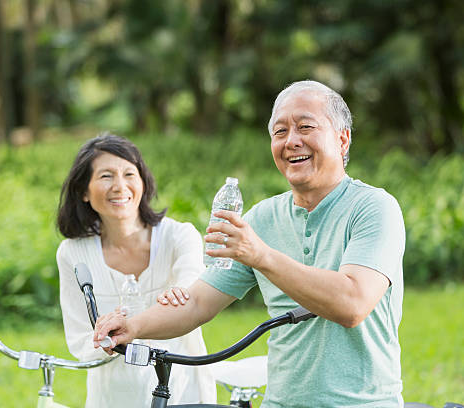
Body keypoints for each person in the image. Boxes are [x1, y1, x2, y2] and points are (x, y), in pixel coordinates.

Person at [94, 80, 406, 407]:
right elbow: (199, 302)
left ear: (342, 140)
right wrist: (133, 325)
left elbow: (352, 303)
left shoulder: (374, 208)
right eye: (280, 132)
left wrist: (261, 256)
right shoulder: (262, 219)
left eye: (305, 127)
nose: (291, 141)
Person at [56, 132, 216, 408]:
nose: (120, 186)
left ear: (143, 182)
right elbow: (79, 337)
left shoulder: (180, 237)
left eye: (129, 174)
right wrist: (104, 339)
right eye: (106, 176)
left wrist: (178, 296)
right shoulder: (73, 253)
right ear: (83, 191)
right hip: (113, 396)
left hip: (180, 388)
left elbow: (191, 291)